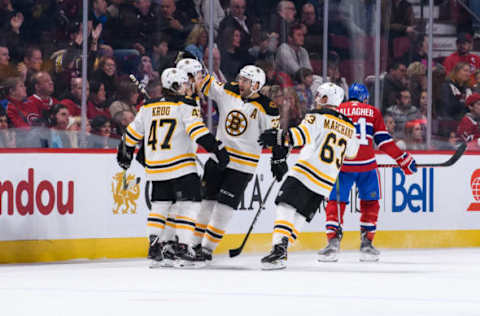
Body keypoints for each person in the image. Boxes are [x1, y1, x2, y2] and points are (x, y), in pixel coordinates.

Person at [116, 67, 229, 268]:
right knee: (190, 204)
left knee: (160, 206)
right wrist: (217, 148)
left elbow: (131, 135)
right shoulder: (185, 104)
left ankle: (155, 245)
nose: (187, 87)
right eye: (184, 84)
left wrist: (125, 152)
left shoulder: (147, 106)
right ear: (175, 86)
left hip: (156, 168)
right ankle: (184, 247)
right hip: (181, 166)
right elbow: (197, 131)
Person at [257, 82, 359, 270]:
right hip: (326, 182)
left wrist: (279, 137)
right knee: (301, 215)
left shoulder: (317, 116)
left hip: (306, 172)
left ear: (326, 99)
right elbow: (352, 152)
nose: (317, 98)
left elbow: (299, 136)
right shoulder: (350, 127)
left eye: (320, 95)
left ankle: (279, 249)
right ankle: (283, 247)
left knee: (285, 205)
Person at [193, 65, 284, 262]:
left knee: (224, 208)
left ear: (257, 85)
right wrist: (196, 65)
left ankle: (207, 249)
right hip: (219, 158)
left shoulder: (268, 108)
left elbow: (274, 136)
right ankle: (193, 245)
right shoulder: (228, 90)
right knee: (205, 203)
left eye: (245, 80)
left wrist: (278, 157)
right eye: (240, 78)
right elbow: (205, 83)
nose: (240, 83)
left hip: (243, 166)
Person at [318, 83, 417, 263]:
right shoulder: (373, 111)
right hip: (367, 167)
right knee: (370, 203)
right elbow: (384, 142)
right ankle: (366, 244)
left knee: (335, 203)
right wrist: (403, 159)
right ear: (365, 98)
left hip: (342, 166)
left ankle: (333, 243)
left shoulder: (338, 109)